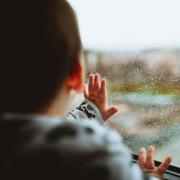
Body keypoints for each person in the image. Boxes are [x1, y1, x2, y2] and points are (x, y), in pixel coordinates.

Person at [0, 0, 171, 179]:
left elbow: (54, 128)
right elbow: (61, 133)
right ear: (75, 75)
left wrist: (91, 109)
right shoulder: (92, 153)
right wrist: (151, 176)